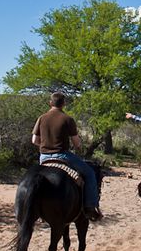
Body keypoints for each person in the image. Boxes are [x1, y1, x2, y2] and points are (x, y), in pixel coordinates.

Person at [32, 91, 102, 221]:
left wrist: (46, 146)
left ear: (50, 103)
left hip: (44, 157)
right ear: (63, 104)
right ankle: (90, 206)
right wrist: (79, 147)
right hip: (63, 155)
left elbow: (34, 140)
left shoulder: (41, 118)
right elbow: (76, 143)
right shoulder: (68, 119)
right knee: (90, 174)